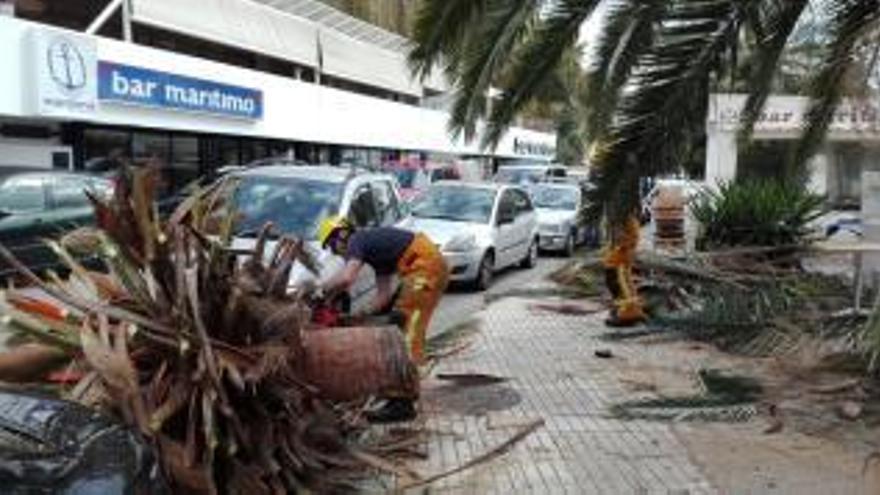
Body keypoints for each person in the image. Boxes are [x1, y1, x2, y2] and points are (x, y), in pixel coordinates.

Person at [317, 217, 448, 422]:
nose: (337, 254)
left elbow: (346, 278)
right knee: (400, 326)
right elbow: (383, 296)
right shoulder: (377, 254)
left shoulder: (357, 240)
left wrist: (320, 291)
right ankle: (403, 395)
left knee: (406, 333)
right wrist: (359, 316)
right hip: (428, 267)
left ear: (341, 235)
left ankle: (400, 403)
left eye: (333, 247)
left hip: (423, 269)